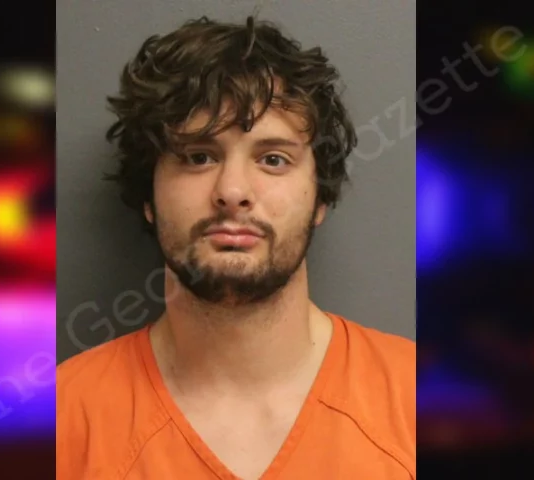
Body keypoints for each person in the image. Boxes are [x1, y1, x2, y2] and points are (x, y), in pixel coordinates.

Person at [57, 15, 415, 480]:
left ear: (320, 198)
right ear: (148, 196)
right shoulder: (63, 420)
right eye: (198, 156)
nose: (232, 191)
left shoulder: (416, 402)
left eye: (273, 159)